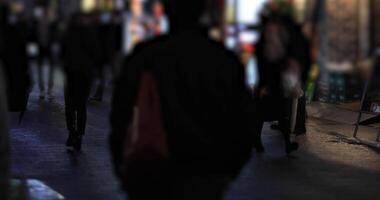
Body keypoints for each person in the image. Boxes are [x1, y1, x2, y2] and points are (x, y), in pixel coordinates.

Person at [110, 0, 255, 199]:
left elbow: (120, 113)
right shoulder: (224, 60)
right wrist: (228, 170)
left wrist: (120, 162)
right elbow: (244, 121)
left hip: (154, 170)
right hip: (207, 173)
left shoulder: (146, 56)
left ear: (167, 11)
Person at [254, 13, 310, 154]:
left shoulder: (270, 38)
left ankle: (285, 144)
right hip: (270, 82)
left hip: (275, 81)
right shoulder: (269, 40)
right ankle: (261, 141)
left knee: (279, 112)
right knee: (268, 112)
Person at [62, 13, 100, 152]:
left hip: (72, 73)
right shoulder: (90, 34)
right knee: (81, 106)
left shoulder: (68, 33)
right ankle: (79, 135)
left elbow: (62, 52)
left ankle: (72, 132)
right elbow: (95, 53)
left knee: (70, 105)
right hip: (85, 74)